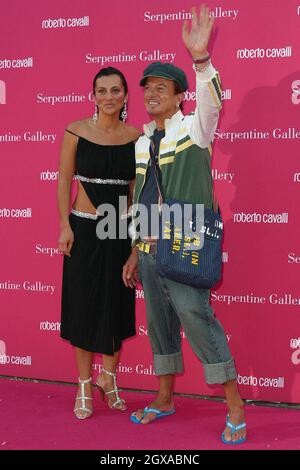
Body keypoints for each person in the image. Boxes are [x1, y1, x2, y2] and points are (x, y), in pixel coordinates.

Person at [122, 5, 247, 444]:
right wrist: (136, 249)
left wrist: (200, 60)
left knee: (195, 314)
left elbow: (213, 99)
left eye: (162, 88)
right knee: (159, 321)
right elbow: (141, 198)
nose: (153, 93)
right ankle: (165, 396)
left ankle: (235, 404)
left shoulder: (194, 129)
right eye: (148, 88)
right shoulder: (141, 142)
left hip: (188, 241)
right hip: (153, 246)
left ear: (179, 97)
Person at [57, 66, 140, 419]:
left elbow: (137, 195)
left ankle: (109, 379)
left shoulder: (136, 136)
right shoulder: (76, 130)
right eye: (101, 91)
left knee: (116, 306)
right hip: (84, 229)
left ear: (125, 96)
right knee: (83, 308)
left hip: (118, 232)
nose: (108, 97)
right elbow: (63, 182)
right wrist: (65, 225)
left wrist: (136, 246)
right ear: (93, 96)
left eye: (115, 90)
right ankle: (83, 385)